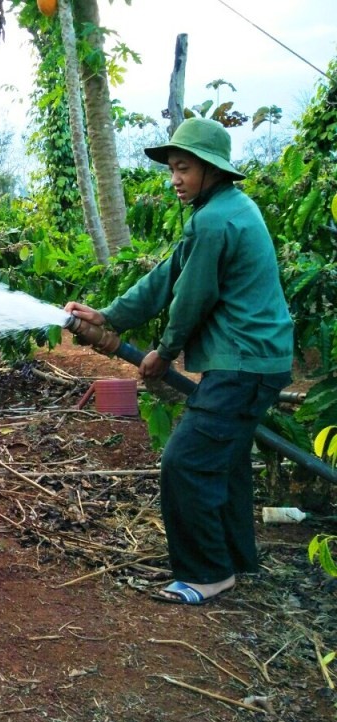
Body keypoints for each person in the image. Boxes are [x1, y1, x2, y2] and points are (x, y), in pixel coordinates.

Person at [64, 117, 294, 605]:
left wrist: (163, 353)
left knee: (185, 463)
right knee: (225, 462)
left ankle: (207, 573)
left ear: (212, 169)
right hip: (254, 360)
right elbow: (168, 276)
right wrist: (108, 315)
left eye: (183, 168)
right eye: (171, 169)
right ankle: (235, 561)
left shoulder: (215, 220)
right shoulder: (221, 211)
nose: (174, 179)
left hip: (244, 363)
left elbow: (191, 296)